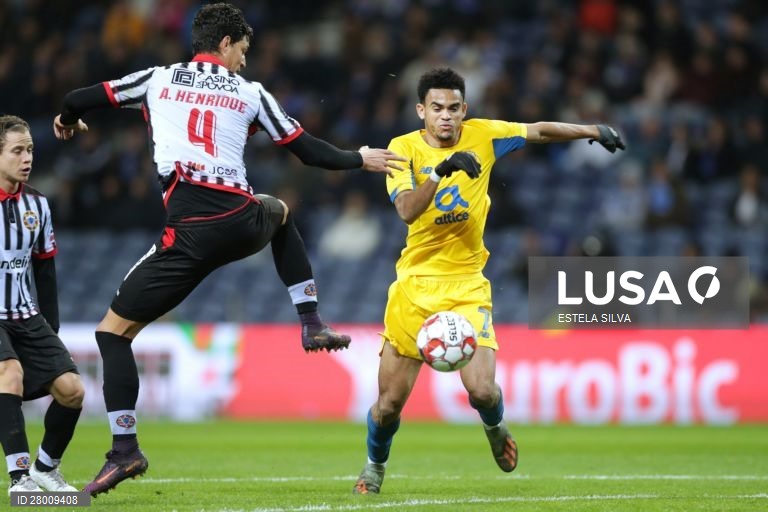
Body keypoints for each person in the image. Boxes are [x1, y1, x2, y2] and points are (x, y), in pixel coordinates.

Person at [52, 3, 405, 497]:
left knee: (113, 335)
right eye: (242, 49)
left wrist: (68, 120)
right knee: (280, 209)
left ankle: (125, 449)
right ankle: (310, 321)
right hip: (240, 222)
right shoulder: (250, 92)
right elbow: (306, 150)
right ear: (224, 44)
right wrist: (359, 158)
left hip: (189, 233)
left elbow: (79, 96)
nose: (244, 59)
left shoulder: (157, 79)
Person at [352, 67, 625, 494]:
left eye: (454, 109)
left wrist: (592, 129)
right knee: (388, 406)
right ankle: (374, 466)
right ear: (421, 110)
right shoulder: (401, 149)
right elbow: (406, 209)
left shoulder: (483, 134)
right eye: (437, 108)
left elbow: (539, 131)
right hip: (414, 285)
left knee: (481, 389)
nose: (446, 117)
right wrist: (441, 172)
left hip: (466, 283)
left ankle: (496, 429)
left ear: (466, 109)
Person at [0, 115, 85, 495]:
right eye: (17, 150)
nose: (27, 158)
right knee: (10, 374)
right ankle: (18, 480)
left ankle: (44, 469)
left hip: (27, 313)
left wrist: (51, 327)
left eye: (30, 149)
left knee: (72, 389)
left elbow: (44, 268)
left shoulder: (37, 205)